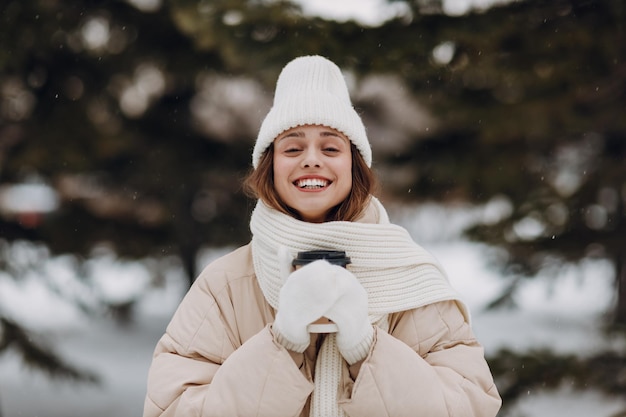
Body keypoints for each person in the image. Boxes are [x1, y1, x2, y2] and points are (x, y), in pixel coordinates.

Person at [143, 55, 501, 417]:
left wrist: (366, 345)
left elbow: (470, 407)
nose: (312, 160)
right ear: (270, 167)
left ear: (354, 166)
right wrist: (281, 343)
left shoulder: (410, 281)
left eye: (330, 147)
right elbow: (171, 409)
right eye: (293, 148)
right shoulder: (225, 287)